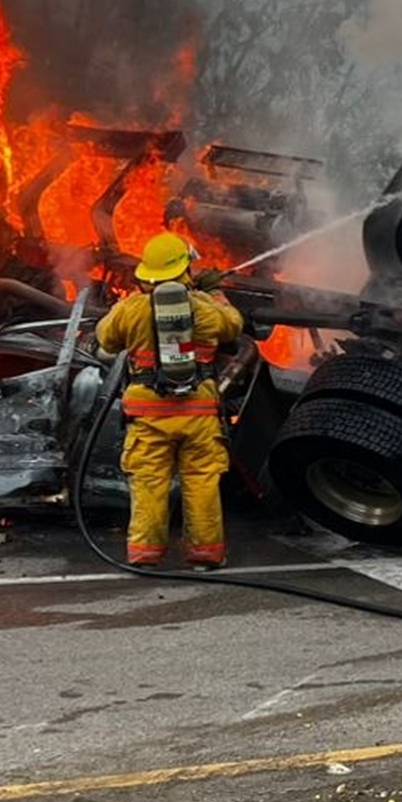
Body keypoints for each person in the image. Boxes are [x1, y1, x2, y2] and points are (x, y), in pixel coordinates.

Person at [95, 231, 246, 569]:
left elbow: (106, 337)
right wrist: (215, 293)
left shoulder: (132, 308)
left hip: (148, 414)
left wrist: (132, 303)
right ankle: (205, 556)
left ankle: (145, 556)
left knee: (149, 482)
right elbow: (234, 326)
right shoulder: (204, 307)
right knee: (201, 481)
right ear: (184, 269)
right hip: (199, 413)